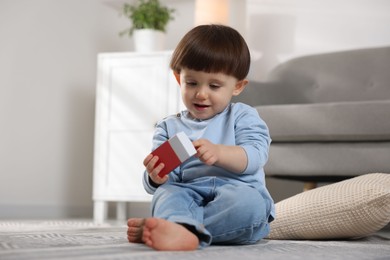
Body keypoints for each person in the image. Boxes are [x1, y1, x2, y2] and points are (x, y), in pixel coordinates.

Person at [127, 24, 275, 251]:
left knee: (250, 205)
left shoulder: (243, 115)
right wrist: (156, 177)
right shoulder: (168, 126)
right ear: (179, 79)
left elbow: (256, 155)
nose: (201, 93)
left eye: (214, 86)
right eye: (191, 82)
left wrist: (220, 153)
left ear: (237, 86)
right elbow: (167, 182)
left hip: (236, 190)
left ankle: (180, 229)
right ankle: (179, 228)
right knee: (167, 195)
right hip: (188, 192)